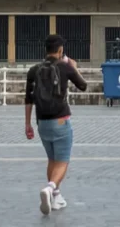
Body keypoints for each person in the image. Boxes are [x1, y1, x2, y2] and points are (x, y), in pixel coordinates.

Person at [25, 34, 88, 216]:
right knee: (62, 161)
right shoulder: (65, 67)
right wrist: (74, 68)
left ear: (46, 50)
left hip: (42, 122)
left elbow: (28, 99)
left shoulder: (33, 70)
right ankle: (50, 188)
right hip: (61, 120)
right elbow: (83, 86)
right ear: (60, 50)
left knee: (52, 160)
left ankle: (56, 197)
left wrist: (27, 124)